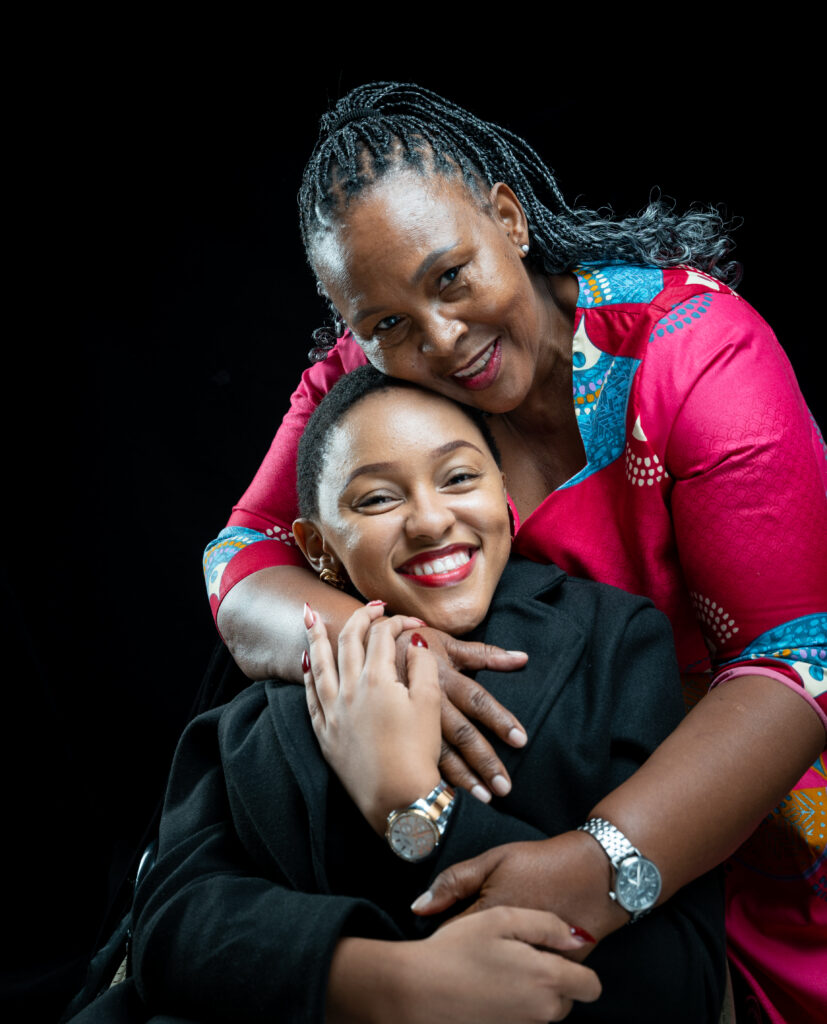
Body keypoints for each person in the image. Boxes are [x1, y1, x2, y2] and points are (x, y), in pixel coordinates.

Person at [203, 83, 827, 1022]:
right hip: (513, 805)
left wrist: (599, 866)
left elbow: (796, 666)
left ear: (508, 218)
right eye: (386, 323)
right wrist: (389, 650)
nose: (441, 340)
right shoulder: (370, 369)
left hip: (729, 821)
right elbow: (241, 555)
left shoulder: (695, 357)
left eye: (451, 277)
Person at [120, 366, 724, 1023]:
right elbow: (170, 926)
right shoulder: (270, 682)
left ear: (504, 497)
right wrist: (383, 980)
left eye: (459, 478)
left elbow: (677, 982)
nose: (431, 520)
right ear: (318, 548)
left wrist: (410, 801)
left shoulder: (615, 639)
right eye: (377, 499)